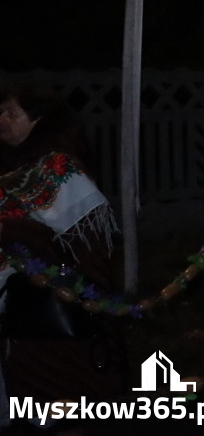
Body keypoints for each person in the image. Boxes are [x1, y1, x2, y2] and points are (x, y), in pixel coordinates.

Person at [0, 84, 120, 430]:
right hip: (19, 306)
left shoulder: (56, 164)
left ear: (38, 117)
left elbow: (82, 238)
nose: (2, 120)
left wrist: (11, 234)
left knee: (60, 397)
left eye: (12, 112)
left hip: (51, 304)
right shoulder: (17, 164)